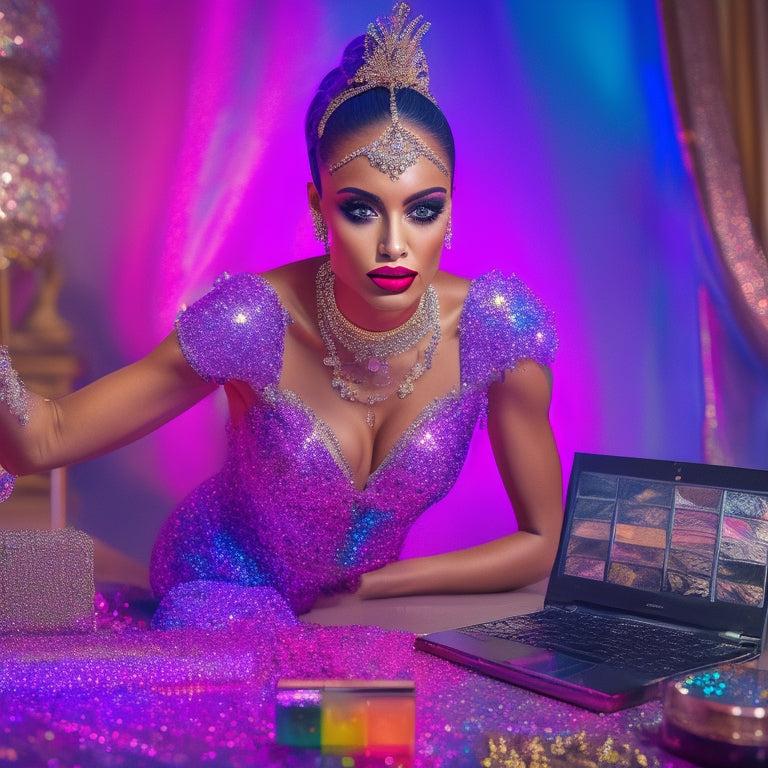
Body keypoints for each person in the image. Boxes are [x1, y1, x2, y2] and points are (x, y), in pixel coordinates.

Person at [0, 3, 562, 618]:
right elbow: (43, 439)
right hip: (218, 587)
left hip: (341, 611)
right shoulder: (253, 324)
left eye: (423, 210)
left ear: (450, 209)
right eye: (361, 209)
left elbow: (540, 542)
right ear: (319, 206)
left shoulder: (496, 333)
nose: (394, 244)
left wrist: (381, 584)